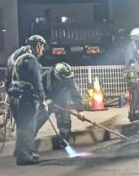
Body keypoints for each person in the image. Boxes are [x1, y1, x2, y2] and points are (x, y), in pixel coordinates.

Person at [8, 34, 50, 164]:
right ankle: (25, 156)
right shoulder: (31, 61)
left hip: (15, 96)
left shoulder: (16, 57)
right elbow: (37, 82)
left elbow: (7, 78)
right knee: (28, 126)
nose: (42, 51)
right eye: (42, 47)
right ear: (37, 45)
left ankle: (20, 152)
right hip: (26, 98)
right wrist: (43, 101)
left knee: (21, 126)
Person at [43, 61, 85, 148]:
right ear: (57, 75)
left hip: (61, 99)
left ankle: (63, 142)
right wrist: (43, 100)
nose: (66, 80)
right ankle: (27, 143)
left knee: (65, 121)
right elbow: (38, 88)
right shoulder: (45, 76)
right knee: (37, 119)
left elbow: (75, 93)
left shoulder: (69, 78)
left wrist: (80, 110)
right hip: (47, 100)